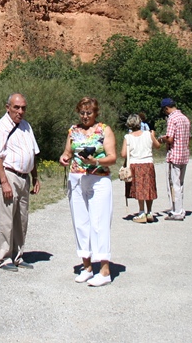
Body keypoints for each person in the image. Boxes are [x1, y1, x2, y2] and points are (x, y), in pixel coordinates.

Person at [60, 97, 117, 286]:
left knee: (99, 223)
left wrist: (95, 162)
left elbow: (112, 157)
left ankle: (105, 270)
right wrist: (64, 157)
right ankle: (87, 267)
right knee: (80, 222)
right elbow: (68, 152)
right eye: (82, 113)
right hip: (76, 179)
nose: (85, 116)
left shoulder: (104, 130)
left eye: (89, 113)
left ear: (96, 113)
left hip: (98, 178)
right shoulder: (73, 131)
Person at [0, 93, 41, 272]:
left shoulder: (26, 126)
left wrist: (35, 177)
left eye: (23, 108)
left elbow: (33, 153)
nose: (20, 111)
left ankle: (18, 256)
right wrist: (4, 182)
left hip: (24, 177)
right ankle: (3, 258)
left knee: (21, 218)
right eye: (16, 107)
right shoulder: (1, 127)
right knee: (6, 219)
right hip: (9, 175)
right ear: (7, 107)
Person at [121, 113, 161, 223]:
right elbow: (157, 146)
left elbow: (123, 154)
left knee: (139, 188)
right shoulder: (148, 134)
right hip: (148, 163)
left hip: (135, 164)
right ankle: (149, 212)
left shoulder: (128, 137)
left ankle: (141, 212)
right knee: (149, 187)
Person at [158, 97, 190, 221]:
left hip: (174, 154)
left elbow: (170, 138)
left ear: (166, 108)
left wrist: (162, 138)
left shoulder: (172, 118)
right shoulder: (185, 118)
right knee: (181, 183)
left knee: (173, 183)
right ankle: (180, 208)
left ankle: (176, 211)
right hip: (184, 153)